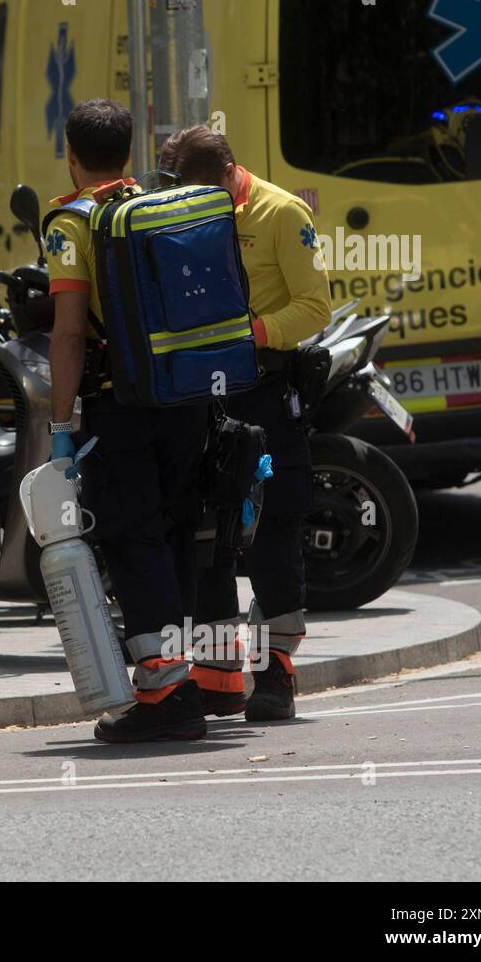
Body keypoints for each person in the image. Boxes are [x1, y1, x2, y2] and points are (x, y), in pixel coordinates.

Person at [44, 98, 211, 742]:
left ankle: (167, 696)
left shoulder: (72, 222)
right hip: (186, 398)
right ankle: (180, 678)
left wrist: (62, 422)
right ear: (131, 153)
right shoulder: (162, 206)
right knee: (171, 535)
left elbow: (67, 332)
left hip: (122, 405)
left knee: (132, 540)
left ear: (71, 154)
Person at [159, 125, 331, 721]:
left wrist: (249, 336)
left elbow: (314, 306)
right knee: (207, 537)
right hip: (200, 397)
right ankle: (218, 675)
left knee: (274, 533)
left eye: (209, 192)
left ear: (231, 172)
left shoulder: (282, 214)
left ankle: (277, 673)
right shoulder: (179, 212)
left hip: (262, 389)